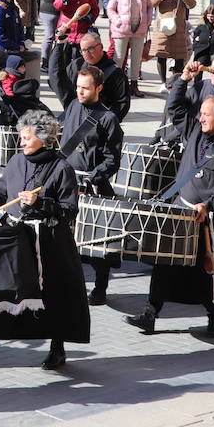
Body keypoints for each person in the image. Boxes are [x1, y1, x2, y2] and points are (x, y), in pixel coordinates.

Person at [0, 110, 90, 370]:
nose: (22, 142)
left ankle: (57, 349)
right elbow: (1, 192)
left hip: (49, 243)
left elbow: (70, 209)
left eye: (27, 137)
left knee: (53, 296)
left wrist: (41, 202)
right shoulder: (16, 161)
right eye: (21, 137)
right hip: (16, 237)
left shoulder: (61, 168)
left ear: (44, 138)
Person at [127, 94, 214, 338]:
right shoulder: (194, 132)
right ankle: (150, 313)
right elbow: (174, 108)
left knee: (211, 271)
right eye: (200, 113)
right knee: (165, 264)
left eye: (206, 114)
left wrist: (209, 205)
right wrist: (183, 79)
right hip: (180, 212)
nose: (200, 117)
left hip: (210, 221)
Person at [61, 67, 124, 304]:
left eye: (85, 88)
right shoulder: (73, 106)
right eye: (78, 86)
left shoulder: (108, 118)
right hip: (67, 182)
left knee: (97, 242)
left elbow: (112, 160)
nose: (79, 91)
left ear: (98, 88)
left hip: (92, 186)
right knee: (64, 239)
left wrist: (92, 178)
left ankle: (100, 288)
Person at [50, 31, 131, 121]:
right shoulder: (76, 65)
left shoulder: (115, 73)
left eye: (91, 49)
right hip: (76, 117)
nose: (87, 53)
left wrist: (107, 122)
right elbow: (58, 80)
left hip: (99, 121)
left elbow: (122, 104)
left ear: (101, 47)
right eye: (83, 50)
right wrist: (60, 44)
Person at [107, 0, 153, 94]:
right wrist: (117, 20)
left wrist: (148, 20)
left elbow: (149, 6)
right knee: (119, 57)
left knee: (136, 58)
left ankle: (134, 85)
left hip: (139, 28)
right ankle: (117, 85)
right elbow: (110, 8)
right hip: (121, 28)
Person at [148, 0, 196, 87]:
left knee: (179, 57)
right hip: (162, 29)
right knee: (161, 55)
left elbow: (192, 4)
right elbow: (151, 3)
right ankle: (163, 83)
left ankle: (176, 83)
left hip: (179, 29)